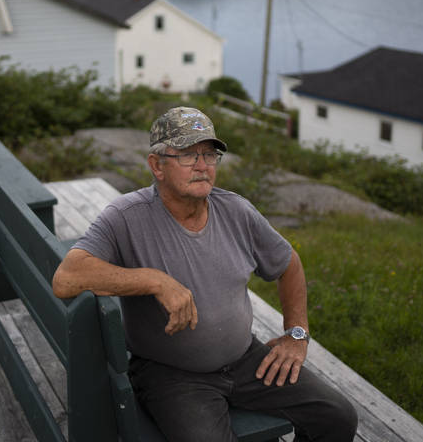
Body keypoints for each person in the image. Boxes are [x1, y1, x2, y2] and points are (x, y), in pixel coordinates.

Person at [52, 107, 357, 442]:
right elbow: (67, 277)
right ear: (157, 166)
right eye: (186, 155)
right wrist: (156, 280)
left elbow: (289, 264)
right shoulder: (126, 216)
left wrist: (297, 334)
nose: (202, 165)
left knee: (337, 416)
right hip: (172, 376)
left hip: (247, 360)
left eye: (210, 154)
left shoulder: (236, 210)